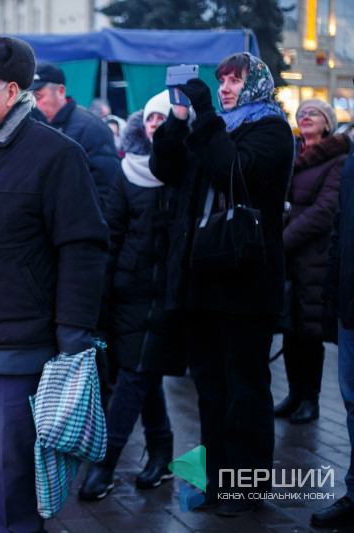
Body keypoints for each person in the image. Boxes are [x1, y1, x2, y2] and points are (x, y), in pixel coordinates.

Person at [0, 36, 108, 532]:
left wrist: (72, 334)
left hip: (22, 344)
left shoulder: (55, 154)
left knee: (15, 471)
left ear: (12, 91)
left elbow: (83, 247)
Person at [150, 52, 294, 516]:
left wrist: (205, 114)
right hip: (201, 277)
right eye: (222, 81)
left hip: (246, 277)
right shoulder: (211, 128)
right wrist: (178, 118)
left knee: (245, 387)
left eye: (235, 80)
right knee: (210, 388)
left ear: (256, 85)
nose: (226, 88)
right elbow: (167, 170)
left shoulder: (271, 129)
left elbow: (234, 170)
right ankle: (216, 481)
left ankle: (245, 488)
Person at [79, 91, 186, 501]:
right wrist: (102, 294)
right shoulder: (128, 171)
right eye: (151, 119)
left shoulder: (186, 170)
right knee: (141, 372)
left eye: (164, 119)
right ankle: (161, 452)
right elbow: (112, 233)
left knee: (135, 375)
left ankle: (104, 465)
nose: (156, 125)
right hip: (128, 292)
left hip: (168, 295)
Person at [275, 98, 349, 424]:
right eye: (301, 113)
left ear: (328, 123)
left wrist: (282, 241)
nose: (305, 116)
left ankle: (310, 399)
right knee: (290, 330)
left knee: (309, 333)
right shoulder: (294, 157)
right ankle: (294, 393)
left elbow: (324, 211)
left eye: (313, 113)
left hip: (313, 258)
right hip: (292, 258)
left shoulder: (337, 160)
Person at [311, 104, 354, 529]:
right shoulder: (353, 158)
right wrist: (332, 292)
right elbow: (342, 224)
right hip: (350, 303)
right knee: (352, 402)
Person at [31, 62, 121, 205]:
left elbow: (107, 186)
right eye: (29, 98)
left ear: (61, 91)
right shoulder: (34, 126)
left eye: (38, 97)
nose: (34, 104)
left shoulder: (91, 128)